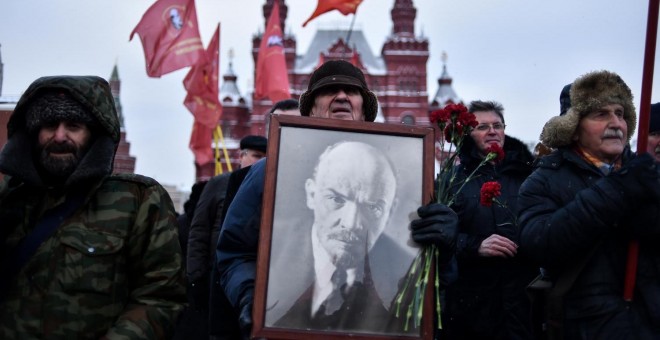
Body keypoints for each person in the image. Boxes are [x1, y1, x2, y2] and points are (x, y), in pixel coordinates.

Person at [216, 60, 459, 339]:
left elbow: (432, 278)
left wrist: (447, 248)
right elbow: (235, 251)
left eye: (352, 92)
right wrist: (251, 297)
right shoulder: (271, 170)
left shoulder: (414, 176)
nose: (342, 96)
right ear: (309, 110)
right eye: (330, 90)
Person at [0, 75, 186, 338]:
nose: (60, 136)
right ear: (33, 132)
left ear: (94, 134)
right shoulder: (8, 197)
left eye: (74, 126)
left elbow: (160, 297)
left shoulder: (137, 201)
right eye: (50, 125)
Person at [518, 70, 660, 339]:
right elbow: (541, 243)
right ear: (572, 128)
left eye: (620, 113)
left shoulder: (645, 173)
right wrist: (617, 190)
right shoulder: (544, 181)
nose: (616, 123)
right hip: (587, 327)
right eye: (601, 114)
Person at [269, 141, 402, 332]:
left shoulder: (408, 272)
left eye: (373, 207)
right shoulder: (271, 248)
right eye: (337, 199)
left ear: (390, 212)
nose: (351, 223)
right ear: (311, 194)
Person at [441, 100, 536, 340]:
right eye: (482, 127)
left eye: (497, 125)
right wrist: (476, 246)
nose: (492, 131)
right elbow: (440, 237)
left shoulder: (530, 174)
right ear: (467, 133)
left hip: (525, 301)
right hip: (472, 304)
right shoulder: (451, 179)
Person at [187, 135, 267, 339]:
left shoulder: (272, 181)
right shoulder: (220, 183)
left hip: (249, 286)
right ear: (241, 156)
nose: (260, 161)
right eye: (256, 156)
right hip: (217, 277)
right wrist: (196, 279)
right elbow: (199, 232)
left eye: (265, 156)